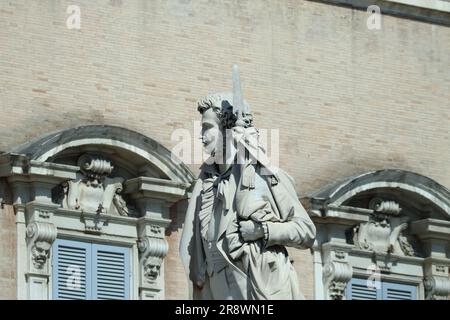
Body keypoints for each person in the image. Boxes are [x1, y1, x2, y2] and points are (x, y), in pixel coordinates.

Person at [180, 89, 316, 300]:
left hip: (260, 288)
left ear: (227, 129)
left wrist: (263, 229)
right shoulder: (205, 187)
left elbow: (305, 230)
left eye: (207, 128)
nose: (201, 135)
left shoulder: (262, 174)